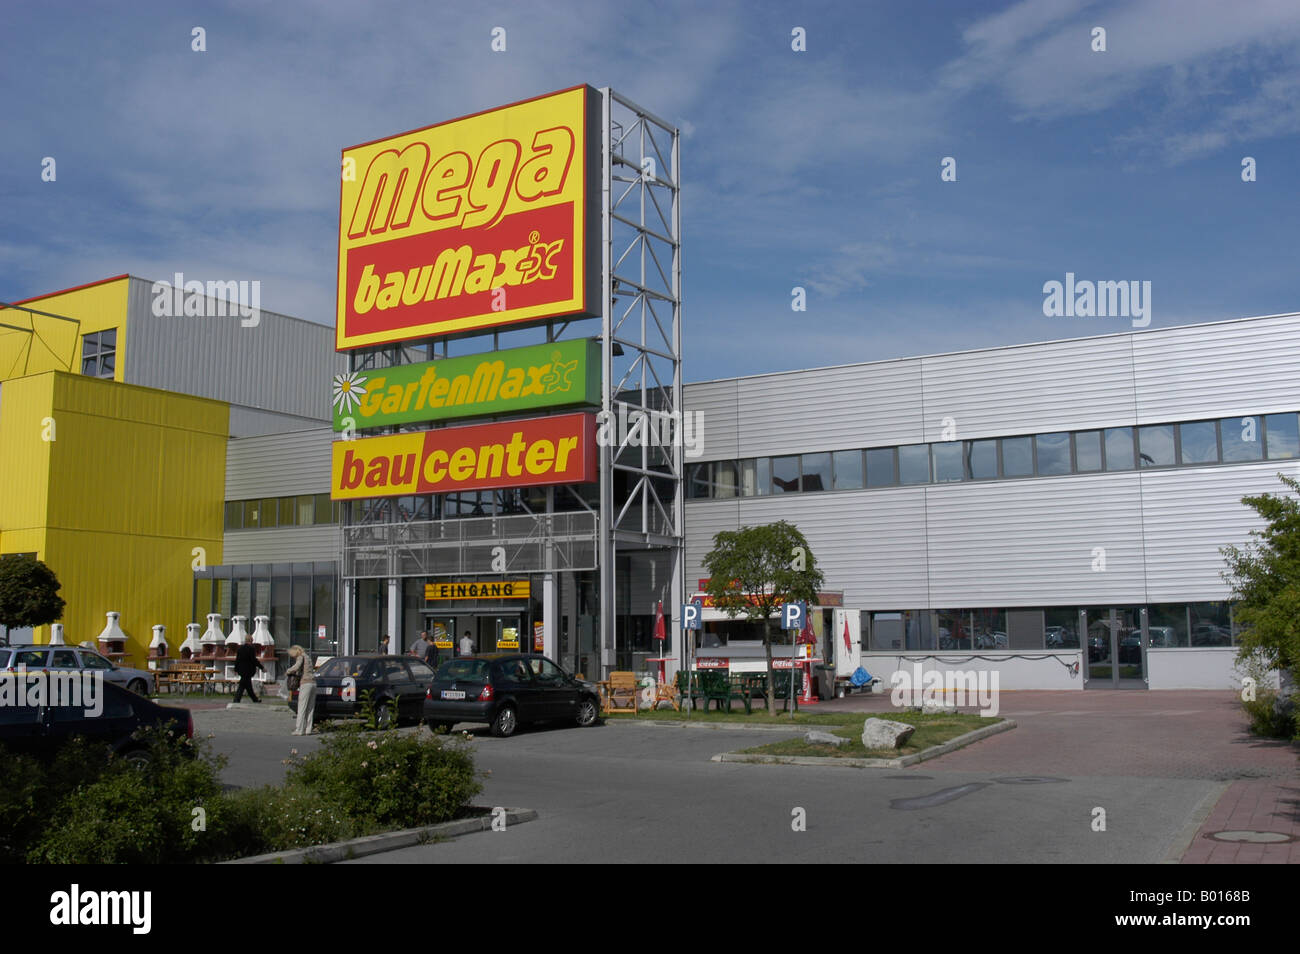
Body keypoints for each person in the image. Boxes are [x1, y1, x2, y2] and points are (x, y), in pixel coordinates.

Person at [286, 645, 316, 736]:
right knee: (310, 708)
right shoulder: (308, 657)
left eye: (293, 655)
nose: (294, 657)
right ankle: (308, 729)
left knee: (302, 707)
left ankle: (299, 729)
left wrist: (288, 671)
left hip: (305, 683)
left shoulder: (300, 657)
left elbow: (296, 666)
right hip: (313, 683)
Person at [232, 634, 263, 703]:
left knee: (247, 686)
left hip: (241, 670)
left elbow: (237, 660)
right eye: (252, 641)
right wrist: (261, 667)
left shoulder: (240, 649)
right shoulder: (251, 649)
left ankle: (254, 699)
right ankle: (237, 699)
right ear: (250, 640)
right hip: (248, 670)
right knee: (243, 686)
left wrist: (236, 669)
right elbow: (253, 660)